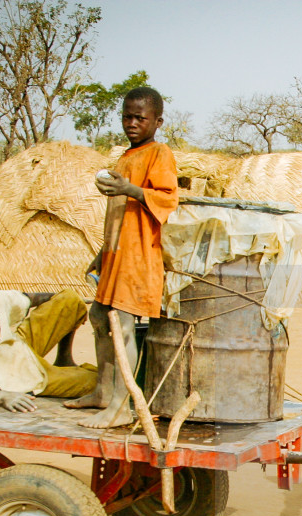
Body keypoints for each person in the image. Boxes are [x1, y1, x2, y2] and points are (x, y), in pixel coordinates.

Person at [64, 86, 179, 428]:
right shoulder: (126, 157)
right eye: (127, 116)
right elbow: (120, 214)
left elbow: (168, 198)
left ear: (157, 121)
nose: (132, 123)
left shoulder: (159, 153)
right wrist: (103, 252)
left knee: (124, 327)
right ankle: (103, 391)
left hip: (139, 255)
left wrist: (130, 189)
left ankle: (119, 406)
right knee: (99, 316)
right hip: (117, 254)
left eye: (139, 118)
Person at [0, 261, 96, 412]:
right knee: (100, 381)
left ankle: (64, 359)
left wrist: (64, 301)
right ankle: (67, 374)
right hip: (24, 376)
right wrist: (0, 397)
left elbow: (28, 299)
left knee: (70, 299)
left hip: (20, 346)